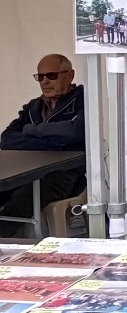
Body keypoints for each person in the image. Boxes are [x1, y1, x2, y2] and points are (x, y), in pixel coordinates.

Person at [0, 54, 87, 237]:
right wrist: (55, 142)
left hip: (64, 174)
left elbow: (77, 132)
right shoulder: (33, 106)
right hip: (25, 171)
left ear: (69, 75)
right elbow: (7, 139)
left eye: (51, 76)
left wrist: (33, 129)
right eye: (40, 77)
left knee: (22, 200)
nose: (45, 82)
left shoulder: (83, 98)